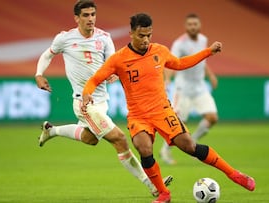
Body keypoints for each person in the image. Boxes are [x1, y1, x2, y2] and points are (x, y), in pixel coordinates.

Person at [82, 13, 255, 203]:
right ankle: (164, 193)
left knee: (189, 146)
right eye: (141, 35)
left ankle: (234, 174)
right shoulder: (118, 59)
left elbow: (180, 64)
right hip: (138, 116)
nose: (146, 40)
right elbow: (95, 79)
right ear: (131, 33)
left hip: (162, 111)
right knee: (143, 147)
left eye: (149, 35)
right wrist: (87, 93)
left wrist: (208, 52)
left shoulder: (159, 51)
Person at [34, 0, 172, 197]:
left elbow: (114, 64)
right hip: (84, 103)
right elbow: (47, 55)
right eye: (86, 15)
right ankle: (152, 185)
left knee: (91, 139)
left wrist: (114, 74)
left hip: (102, 101)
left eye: (93, 14)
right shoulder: (64, 38)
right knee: (119, 138)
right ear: (76, 18)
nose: (90, 19)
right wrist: (39, 74)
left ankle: (52, 130)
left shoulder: (105, 38)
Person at [160, 13, 219, 165]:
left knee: (212, 118)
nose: (193, 27)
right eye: (190, 24)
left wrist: (211, 75)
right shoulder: (180, 44)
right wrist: (167, 80)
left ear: (199, 26)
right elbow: (171, 62)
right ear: (186, 27)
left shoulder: (204, 40)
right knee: (178, 124)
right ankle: (164, 150)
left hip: (199, 87)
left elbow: (202, 60)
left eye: (195, 24)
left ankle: (193, 143)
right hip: (183, 88)